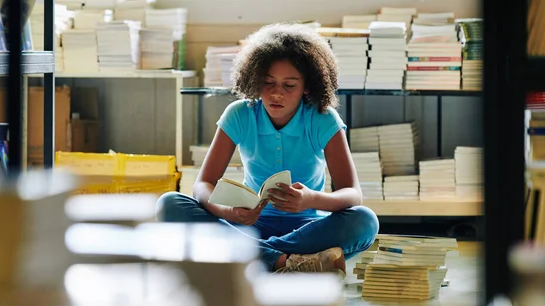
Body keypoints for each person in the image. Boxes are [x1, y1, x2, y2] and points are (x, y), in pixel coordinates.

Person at [156, 23, 379, 275]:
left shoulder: (322, 118)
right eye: (268, 83)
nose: (276, 94)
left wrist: (311, 200)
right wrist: (229, 212)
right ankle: (287, 262)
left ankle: (253, 255)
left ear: (307, 86)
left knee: (365, 221)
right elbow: (202, 185)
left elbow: (352, 194)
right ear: (255, 79)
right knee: (169, 204)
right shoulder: (240, 114)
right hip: (248, 225)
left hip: (307, 229)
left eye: (289, 85)